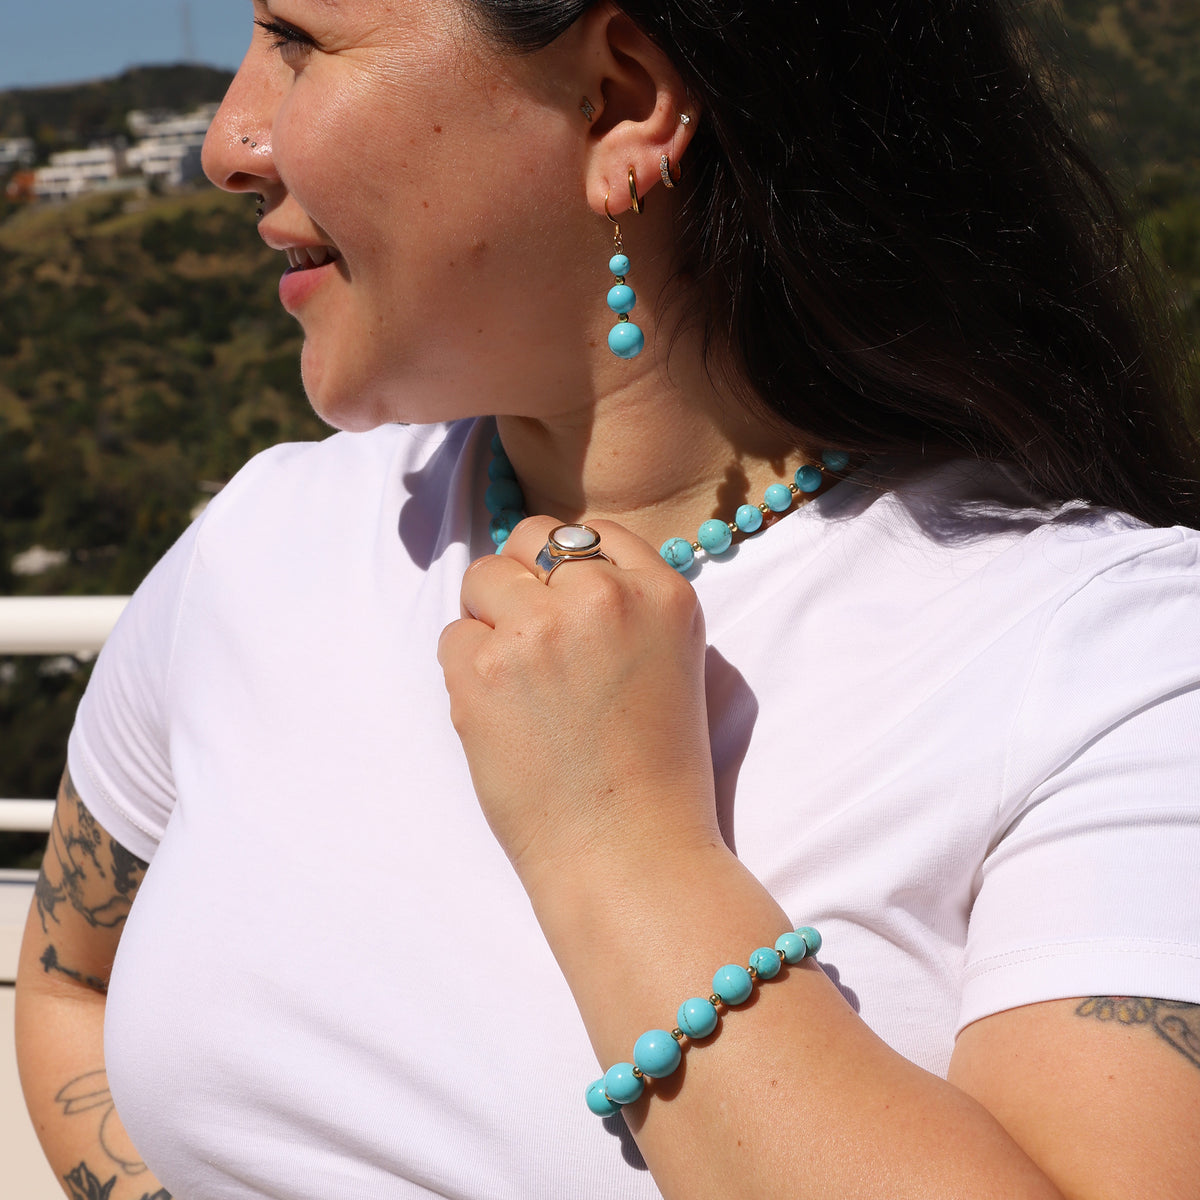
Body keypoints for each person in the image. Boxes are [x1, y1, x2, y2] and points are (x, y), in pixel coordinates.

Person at [15, 1, 1200, 1197]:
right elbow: (71, 986)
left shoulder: (1120, 663)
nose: (227, 144)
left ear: (619, 104)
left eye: (299, 42)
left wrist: (617, 840)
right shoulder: (260, 542)